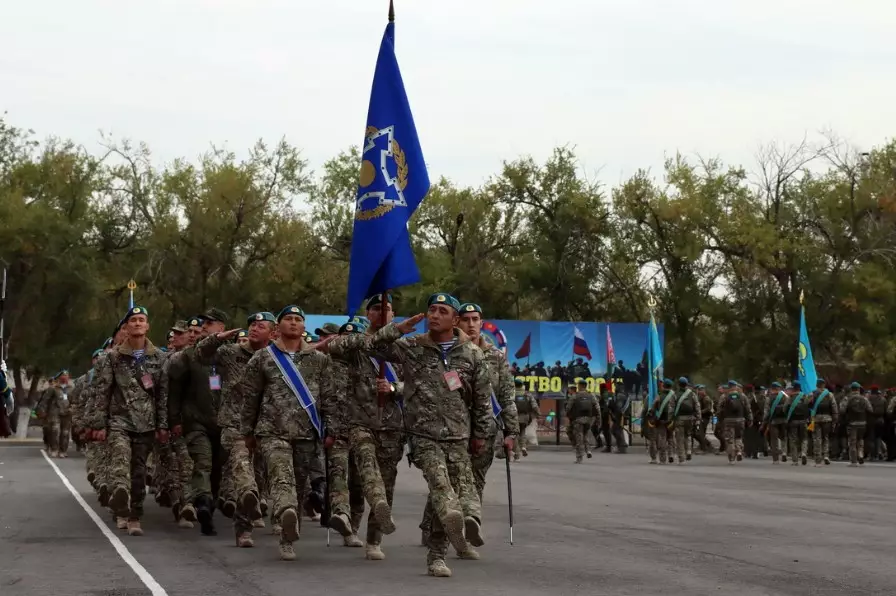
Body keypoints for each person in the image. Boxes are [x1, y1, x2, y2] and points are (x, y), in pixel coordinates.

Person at [321, 292, 490, 578]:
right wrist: (395, 329)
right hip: (422, 434)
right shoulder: (412, 347)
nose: (434, 315)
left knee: (456, 497)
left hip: (458, 435)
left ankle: (438, 555)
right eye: (431, 310)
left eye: (442, 311)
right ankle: (455, 521)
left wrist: (481, 435)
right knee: (441, 489)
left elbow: (482, 399)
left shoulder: (472, 354)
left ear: (455, 319)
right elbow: (370, 345)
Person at [237, 305, 337, 561]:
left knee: (301, 485)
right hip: (272, 431)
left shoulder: (319, 360)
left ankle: (288, 538)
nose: (293, 323)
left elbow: (329, 398)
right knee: (282, 479)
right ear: (278, 327)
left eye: (298, 320)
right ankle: (286, 510)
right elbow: (250, 397)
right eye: (288, 319)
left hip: (306, 433)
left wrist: (332, 431)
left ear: (303, 327)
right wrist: (246, 432)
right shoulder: (263, 358)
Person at [90, 306, 169, 536]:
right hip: (119, 422)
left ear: (147, 326)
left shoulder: (159, 357)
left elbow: (163, 394)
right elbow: (102, 391)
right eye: (133, 320)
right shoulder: (112, 357)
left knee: (138, 472)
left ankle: (134, 516)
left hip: (146, 423)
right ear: (126, 327)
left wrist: (162, 425)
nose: (137, 323)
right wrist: (98, 425)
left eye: (141, 320)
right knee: (120, 465)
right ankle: (121, 508)